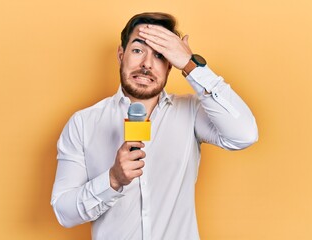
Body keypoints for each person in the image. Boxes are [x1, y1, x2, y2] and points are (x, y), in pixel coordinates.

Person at [51, 12, 258, 240]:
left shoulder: (191, 112)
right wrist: (112, 180)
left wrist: (191, 66)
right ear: (121, 55)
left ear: (170, 66)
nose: (147, 64)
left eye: (160, 55)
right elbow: (64, 212)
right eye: (138, 50)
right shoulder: (83, 123)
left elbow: (244, 134)